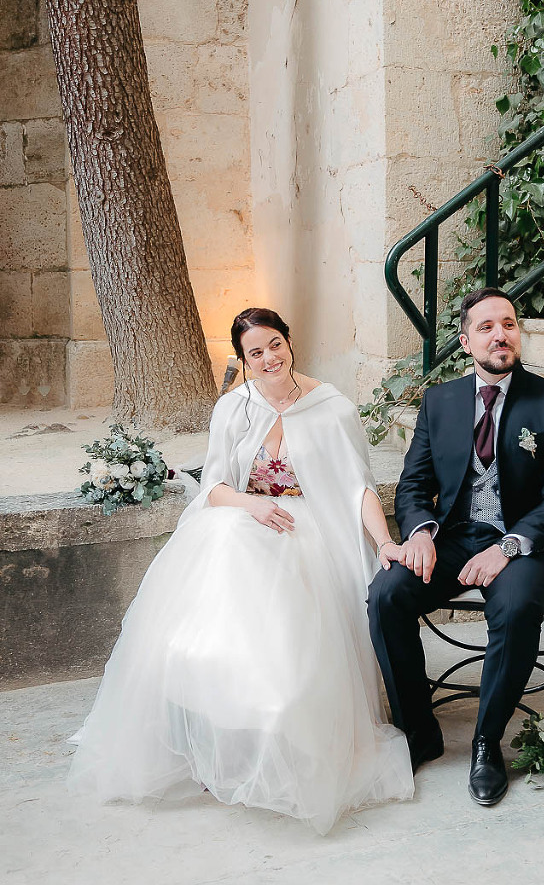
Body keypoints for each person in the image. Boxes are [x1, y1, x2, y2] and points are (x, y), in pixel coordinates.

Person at [68, 308, 414, 834]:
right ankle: (220, 743)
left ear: (289, 343)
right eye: (256, 352)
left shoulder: (332, 407)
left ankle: (289, 741)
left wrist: (385, 542)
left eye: (275, 344)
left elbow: (357, 487)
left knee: (290, 639)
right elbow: (213, 487)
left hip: (308, 527)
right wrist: (251, 505)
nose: (269, 357)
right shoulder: (234, 407)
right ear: (243, 360)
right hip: (245, 518)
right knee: (220, 594)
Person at [368, 287, 544, 807]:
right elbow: (414, 483)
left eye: (508, 324)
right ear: (466, 342)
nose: (500, 335)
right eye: (486, 327)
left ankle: (487, 743)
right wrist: (420, 532)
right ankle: (418, 732)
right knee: (386, 595)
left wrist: (508, 547)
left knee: (514, 608)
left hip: (526, 545)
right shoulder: (440, 401)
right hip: (453, 537)